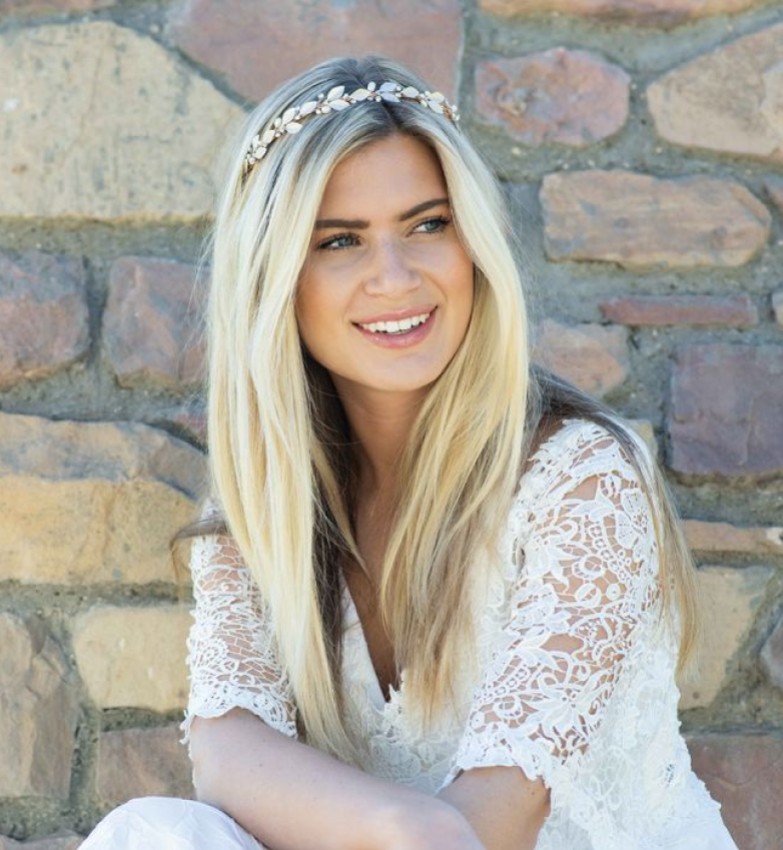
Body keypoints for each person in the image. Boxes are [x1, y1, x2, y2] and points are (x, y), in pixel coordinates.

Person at [81, 56, 739, 850]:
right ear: (275, 278)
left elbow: (498, 820)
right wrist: (404, 821)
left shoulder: (583, 481)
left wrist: (412, 829)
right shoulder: (266, 501)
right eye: (340, 241)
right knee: (154, 834)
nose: (394, 278)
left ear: (474, 245)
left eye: (429, 225)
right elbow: (227, 756)